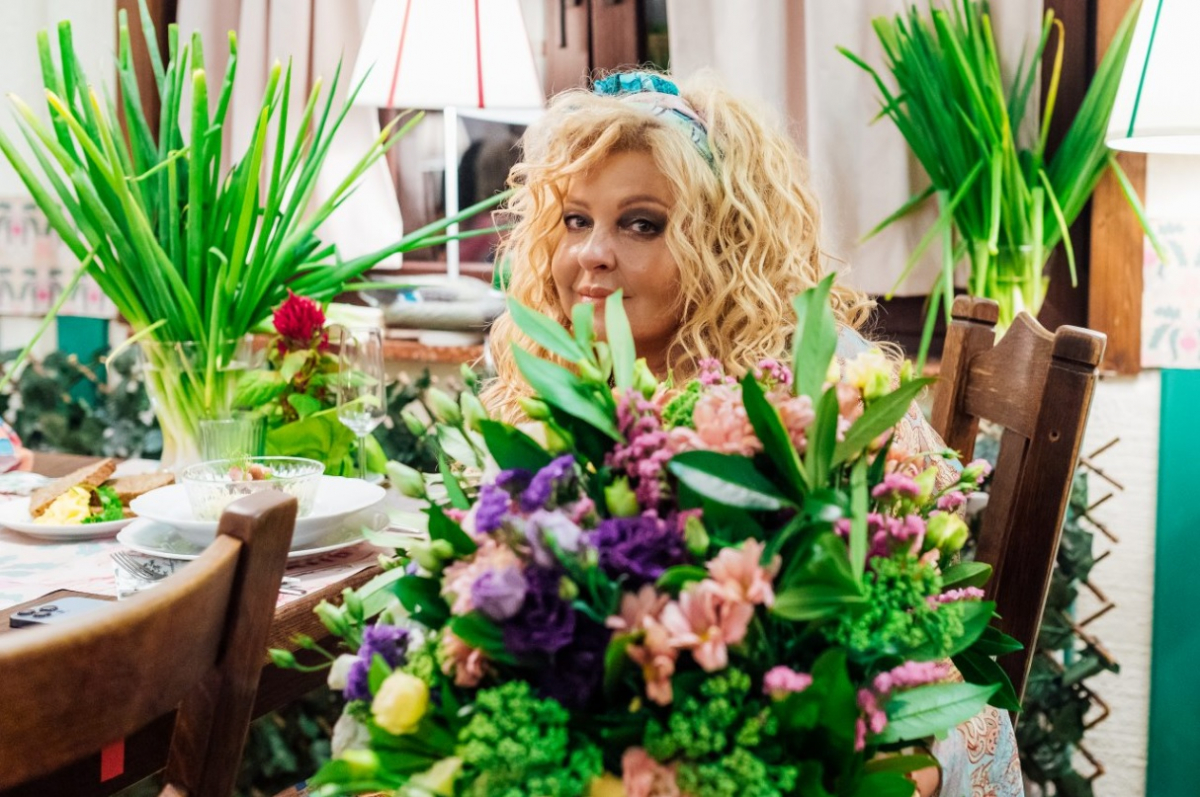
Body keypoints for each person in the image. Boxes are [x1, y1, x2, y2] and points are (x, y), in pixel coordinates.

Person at [482, 69, 1023, 797]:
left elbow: (917, 660)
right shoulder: (572, 383)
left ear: (724, 238)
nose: (593, 254)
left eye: (641, 222)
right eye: (576, 220)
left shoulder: (821, 396)